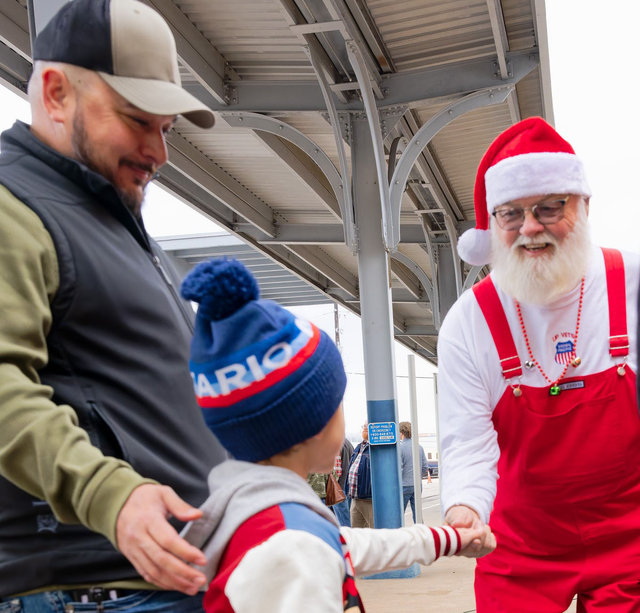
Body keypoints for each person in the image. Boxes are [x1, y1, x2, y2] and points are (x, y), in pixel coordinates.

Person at [0, 0, 228, 609]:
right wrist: (112, 495)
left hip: (164, 581)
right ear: (55, 93)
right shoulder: (11, 207)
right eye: (136, 119)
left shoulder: (114, 223)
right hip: (95, 589)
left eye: (167, 129)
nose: (159, 151)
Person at [179, 258, 496, 612]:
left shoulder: (251, 511)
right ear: (311, 427)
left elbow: (347, 544)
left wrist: (447, 539)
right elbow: (319, 546)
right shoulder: (292, 549)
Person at [438, 116, 640, 612]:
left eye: (550, 207)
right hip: (520, 545)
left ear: (584, 205)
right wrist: (464, 508)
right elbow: (468, 441)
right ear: (493, 223)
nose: (531, 227)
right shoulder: (469, 322)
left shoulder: (633, 285)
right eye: (511, 214)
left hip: (632, 537)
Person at [398, 421, 429, 523]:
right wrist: (417, 477)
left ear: (401, 433)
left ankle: (398, 535)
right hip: (417, 484)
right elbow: (425, 467)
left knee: (399, 514)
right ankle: (422, 535)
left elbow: (400, 468)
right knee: (418, 514)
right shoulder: (419, 447)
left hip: (404, 485)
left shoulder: (400, 448)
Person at [346, 423, 374, 528]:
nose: (364, 428)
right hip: (355, 497)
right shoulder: (359, 446)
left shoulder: (375, 448)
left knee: (375, 530)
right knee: (356, 530)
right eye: (364, 426)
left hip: (369, 498)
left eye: (368, 425)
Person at [332, 437, 355, 526]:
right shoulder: (348, 443)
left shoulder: (336, 444)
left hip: (339, 488)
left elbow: (336, 471)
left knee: (343, 522)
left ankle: (346, 539)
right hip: (348, 485)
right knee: (348, 517)